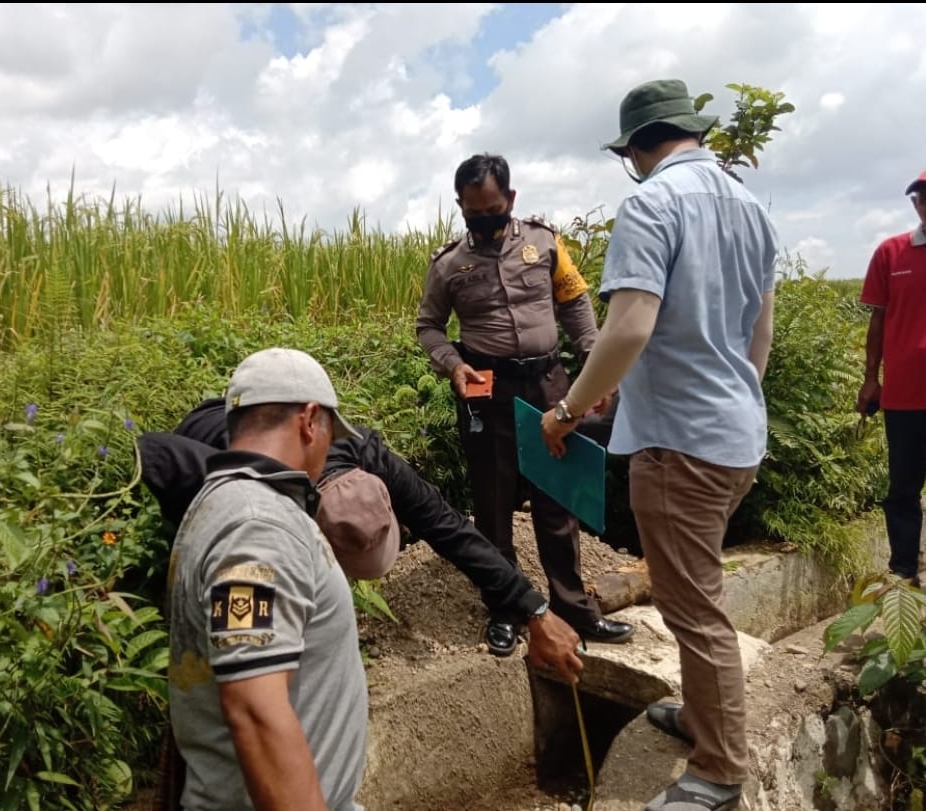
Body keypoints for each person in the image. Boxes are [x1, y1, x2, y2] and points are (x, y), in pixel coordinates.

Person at [539, 79, 778, 811]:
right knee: (697, 589)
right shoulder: (751, 206)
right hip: (735, 432)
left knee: (693, 608)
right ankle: (707, 718)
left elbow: (632, 324)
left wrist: (570, 408)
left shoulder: (651, 201)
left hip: (680, 444)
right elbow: (756, 334)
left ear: (637, 149)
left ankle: (716, 769)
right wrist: (729, 399)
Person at [141, 396, 585, 670]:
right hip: (214, 423)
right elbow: (152, 448)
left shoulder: (366, 453)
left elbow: (449, 527)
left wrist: (535, 609)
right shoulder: (255, 499)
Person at [415, 152, 635, 652]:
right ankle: (505, 610)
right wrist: (453, 365)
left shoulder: (545, 243)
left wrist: (592, 361)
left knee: (557, 500)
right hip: (485, 390)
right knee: (492, 505)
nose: (484, 220)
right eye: (473, 213)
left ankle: (575, 610)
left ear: (510, 200)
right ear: (460, 207)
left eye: (492, 209)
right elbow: (428, 326)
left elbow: (575, 303)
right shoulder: (449, 264)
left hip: (548, 384)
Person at [165, 347, 368, 810]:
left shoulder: (225, 505)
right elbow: (255, 711)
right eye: (331, 435)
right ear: (309, 420)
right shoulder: (257, 525)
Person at [856, 169, 926, 588]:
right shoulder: (891, 253)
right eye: (918, 198)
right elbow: (878, 321)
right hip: (904, 394)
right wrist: (870, 379)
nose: (922, 204)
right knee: (902, 489)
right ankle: (903, 575)